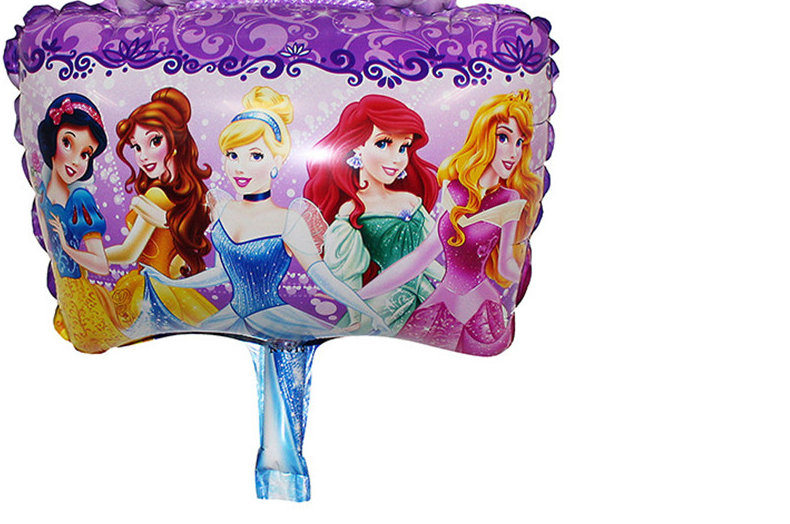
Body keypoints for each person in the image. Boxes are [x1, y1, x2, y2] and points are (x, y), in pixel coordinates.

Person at [140, 86, 388, 340]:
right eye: (233, 155)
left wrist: (368, 312)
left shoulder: (290, 221)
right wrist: (171, 282)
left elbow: (322, 276)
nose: (240, 168)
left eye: (256, 156)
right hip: (231, 317)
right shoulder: (222, 208)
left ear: (277, 162)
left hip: (274, 320)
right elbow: (222, 272)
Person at [359, 89, 543, 355]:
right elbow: (420, 258)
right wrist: (360, 295)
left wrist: (531, 275)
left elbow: (505, 265)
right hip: (442, 303)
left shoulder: (509, 200)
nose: (513, 152)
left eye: (520, 142)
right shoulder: (454, 191)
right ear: (484, 135)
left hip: (479, 308)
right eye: (503, 137)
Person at [302, 95, 442, 332]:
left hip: (424, 294)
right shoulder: (352, 209)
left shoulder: (410, 200)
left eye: (403, 147)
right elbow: (350, 273)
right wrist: (356, 317)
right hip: (382, 304)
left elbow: (426, 259)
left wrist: (456, 283)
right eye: (383, 143)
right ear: (358, 145)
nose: (397, 158)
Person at [106, 88, 217, 328]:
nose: (143, 156)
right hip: (174, 288)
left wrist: (86, 257)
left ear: (175, 141)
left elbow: (128, 253)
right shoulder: (191, 194)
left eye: (154, 141)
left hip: (151, 290)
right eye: (136, 147)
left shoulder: (156, 196)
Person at [35, 94, 127, 353]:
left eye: (86, 153)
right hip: (68, 298)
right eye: (68, 143)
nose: (77, 160)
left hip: (81, 297)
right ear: (51, 139)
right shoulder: (43, 192)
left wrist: (67, 247)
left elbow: (101, 264)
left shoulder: (80, 201)